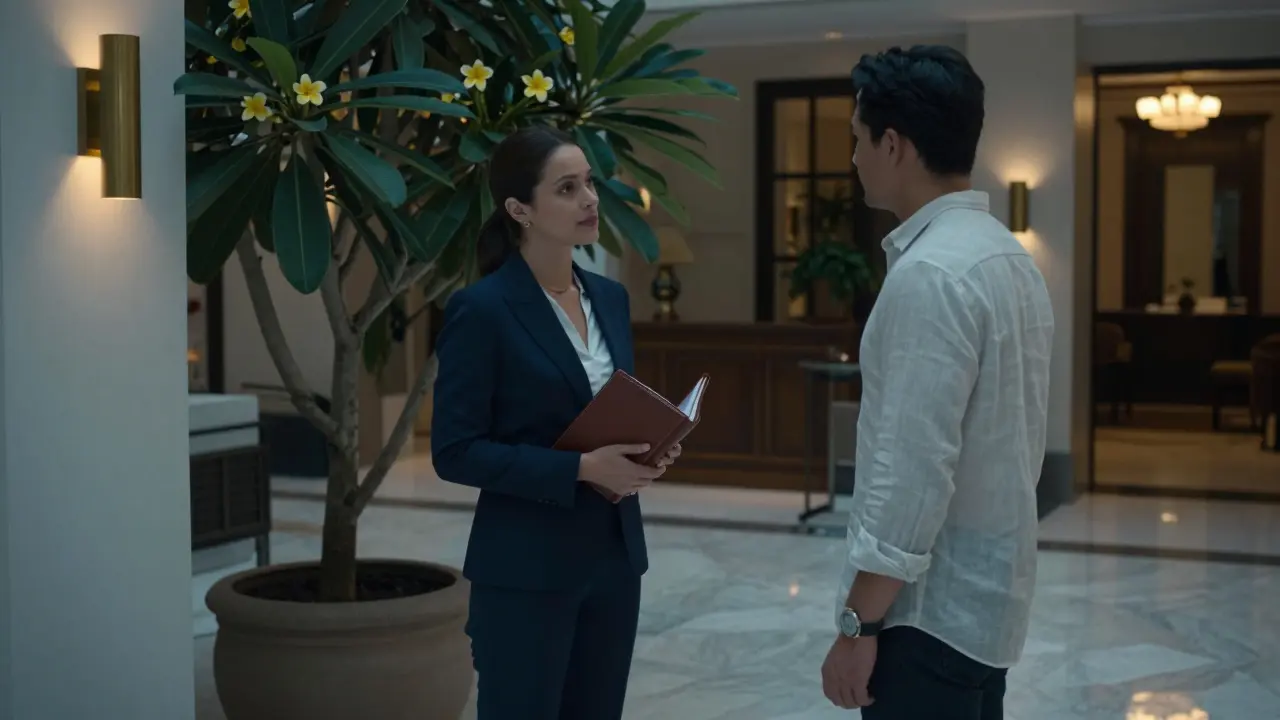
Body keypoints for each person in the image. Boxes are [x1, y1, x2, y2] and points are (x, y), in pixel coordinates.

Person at [819, 46, 1054, 719]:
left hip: (925, 616)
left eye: (859, 139)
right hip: (988, 606)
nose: (855, 157)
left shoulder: (930, 275)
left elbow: (912, 474)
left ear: (893, 144)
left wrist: (858, 624)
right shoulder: (1008, 257)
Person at [430, 125, 680, 720]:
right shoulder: (481, 310)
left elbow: (608, 411)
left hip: (615, 559)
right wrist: (581, 468)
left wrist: (650, 449)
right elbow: (455, 450)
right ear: (520, 209)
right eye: (567, 189)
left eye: (589, 183)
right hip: (525, 567)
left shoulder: (611, 299)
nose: (590, 199)